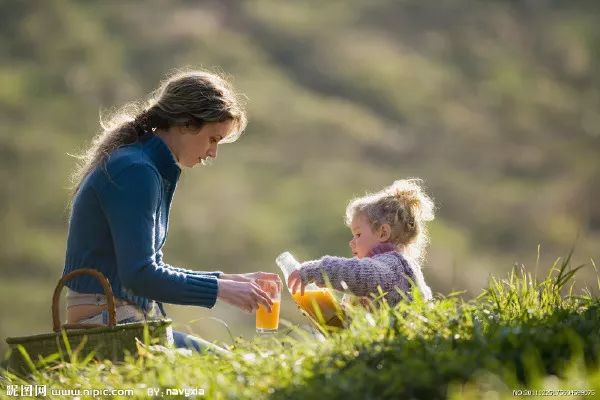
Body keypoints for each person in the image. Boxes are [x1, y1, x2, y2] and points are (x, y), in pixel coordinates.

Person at [62, 69, 280, 354]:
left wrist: (226, 280)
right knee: (235, 369)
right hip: (106, 322)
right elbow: (140, 275)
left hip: (123, 318)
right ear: (186, 124)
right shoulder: (136, 171)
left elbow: (149, 269)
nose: (213, 153)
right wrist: (221, 290)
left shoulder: (144, 166)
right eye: (213, 139)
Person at [287, 179, 434, 308]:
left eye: (358, 234)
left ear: (383, 233)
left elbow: (358, 274)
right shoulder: (387, 267)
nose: (352, 243)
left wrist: (316, 270)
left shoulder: (393, 266)